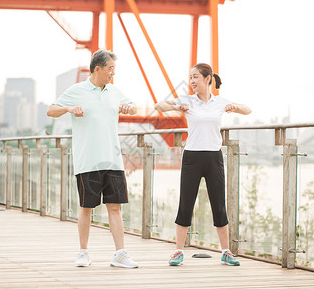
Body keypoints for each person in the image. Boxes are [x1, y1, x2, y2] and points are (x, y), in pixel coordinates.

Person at [47, 49, 139, 268]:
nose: (112, 73)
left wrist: (129, 108)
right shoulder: (77, 90)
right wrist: (69, 108)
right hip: (87, 159)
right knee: (86, 207)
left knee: (115, 207)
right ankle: (83, 253)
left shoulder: (114, 91)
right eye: (110, 69)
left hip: (113, 159)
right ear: (97, 69)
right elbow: (51, 110)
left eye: (114, 69)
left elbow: (133, 107)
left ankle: (120, 254)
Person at [154, 63, 251, 266]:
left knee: (219, 204)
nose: (192, 81)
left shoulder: (219, 102)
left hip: (214, 158)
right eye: (190, 78)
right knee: (186, 203)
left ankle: (226, 252)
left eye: (195, 77)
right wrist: (175, 106)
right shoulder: (188, 100)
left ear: (208, 79)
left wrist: (234, 107)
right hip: (192, 157)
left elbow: (248, 110)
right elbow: (158, 106)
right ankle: (178, 251)